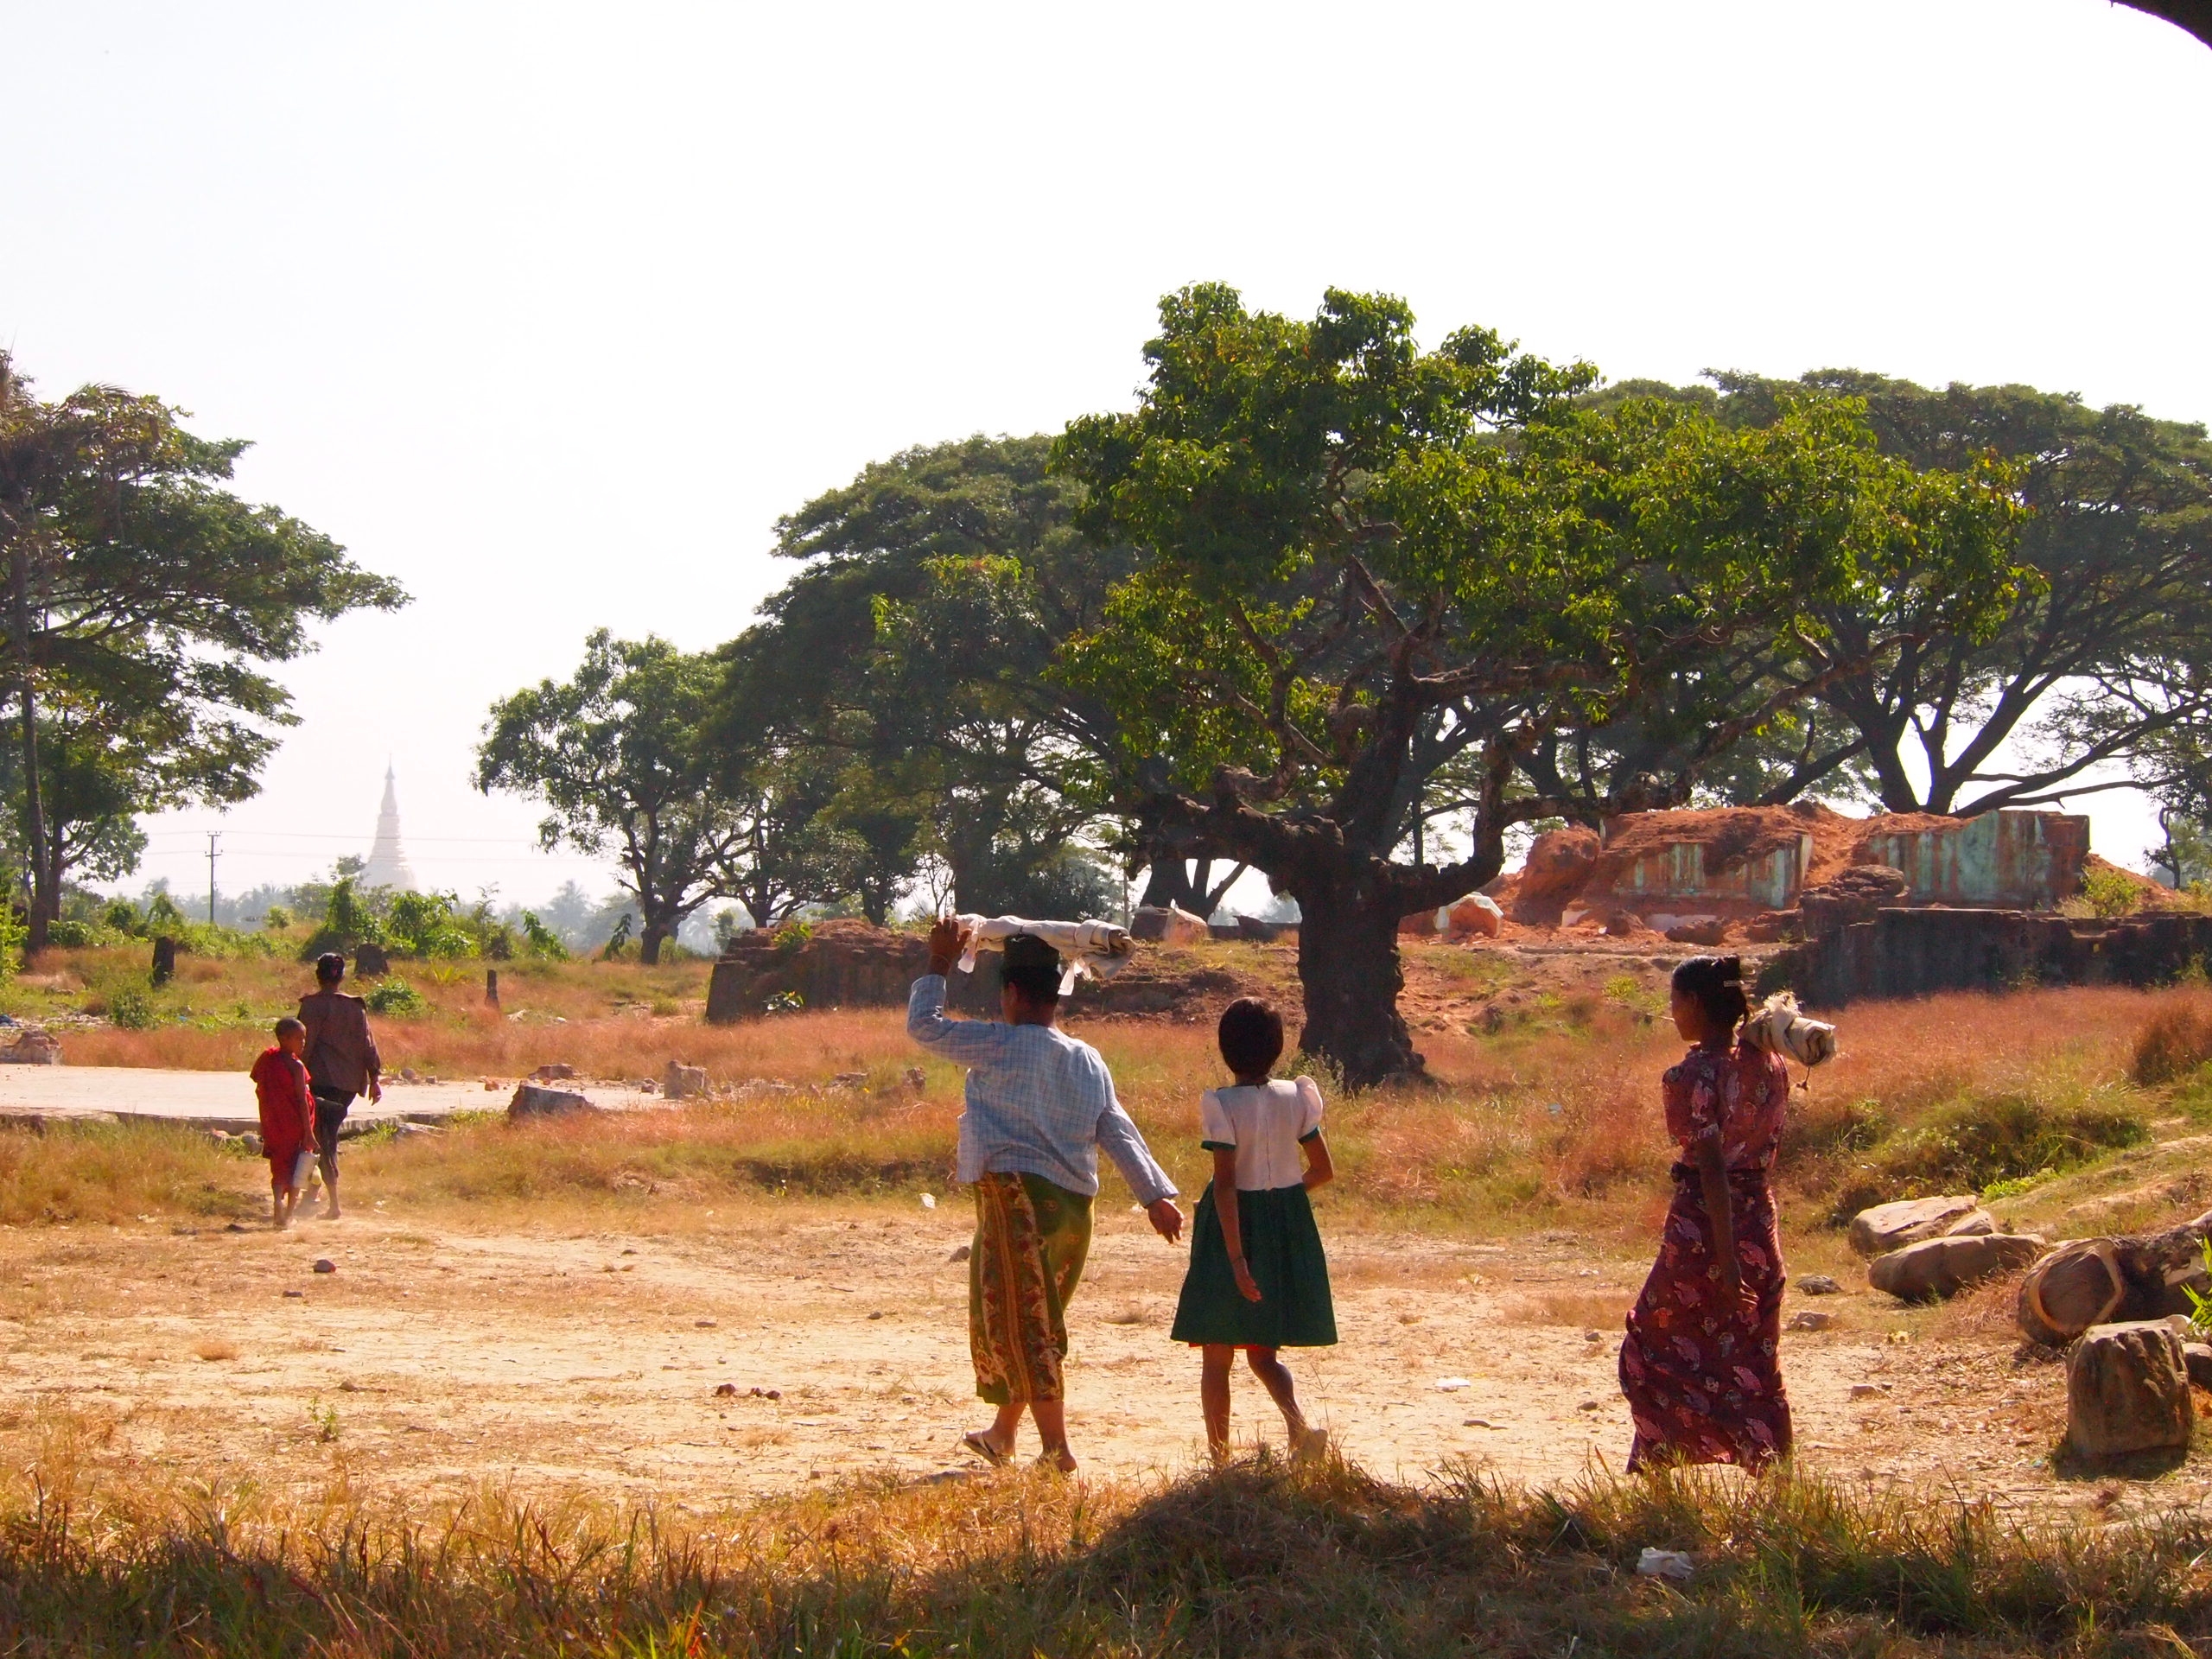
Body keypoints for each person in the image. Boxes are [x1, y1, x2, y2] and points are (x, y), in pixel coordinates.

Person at [908, 916, 1185, 1473]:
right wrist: (1155, 1196)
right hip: (1072, 1214)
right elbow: (1116, 1128)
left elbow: (926, 1027)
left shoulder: (997, 1043)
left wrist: (939, 962)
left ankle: (1057, 1452)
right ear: (1057, 994)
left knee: (1025, 1325)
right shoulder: (1087, 1058)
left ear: (1011, 993)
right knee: (1030, 1316)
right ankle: (1002, 1435)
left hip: (1017, 1205)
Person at [1618, 954, 1794, 1472]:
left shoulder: (1692, 1075)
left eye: (1675, 1002)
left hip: (1702, 1233)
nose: (1672, 1013)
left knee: (1653, 1347)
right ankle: (1775, 1475)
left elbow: (1712, 1166)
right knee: (1754, 1356)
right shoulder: (1771, 1065)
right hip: (1759, 1223)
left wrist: (1726, 1261)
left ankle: (1660, 1466)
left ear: (1694, 1003)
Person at [1168, 996, 1336, 1465]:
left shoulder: (1222, 1104)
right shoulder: (1297, 1097)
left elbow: (1226, 1185)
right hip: (1282, 1228)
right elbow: (1322, 1170)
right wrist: (1284, 1198)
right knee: (1264, 1352)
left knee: (1216, 1352)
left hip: (1230, 1231)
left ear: (1226, 1049)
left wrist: (1238, 1259)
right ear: (1277, 1048)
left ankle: (1219, 1461)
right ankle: (1299, 1430)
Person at [297, 951, 383, 1221]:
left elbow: (303, 1046)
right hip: (347, 1084)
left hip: (319, 1082)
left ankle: (332, 1203)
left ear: (317, 975)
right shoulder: (355, 1007)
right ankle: (313, 1194)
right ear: (342, 977)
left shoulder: (311, 1006)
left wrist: (294, 1077)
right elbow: (368, 1045)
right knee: (324, 1136)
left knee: (321, 1138)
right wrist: (374, 1079)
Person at [250, 1016, 317, 1230]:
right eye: (298, 1038)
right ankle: (288, 1214)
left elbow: (261, 1087)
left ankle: (278, 1201)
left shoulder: (268, 1060)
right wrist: (308, 1132)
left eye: (304, 1038)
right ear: (283, 1039)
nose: (303, 1043)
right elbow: (302, 1101)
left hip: (275, 1124)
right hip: (296, 1125)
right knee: (299, 1168)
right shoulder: (296, 1066)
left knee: (279, 1165)